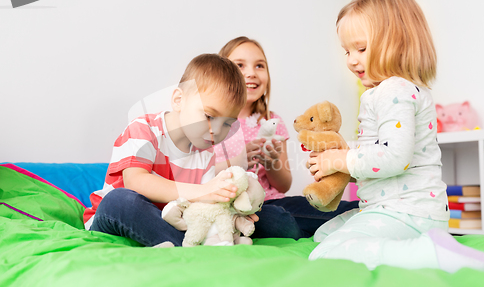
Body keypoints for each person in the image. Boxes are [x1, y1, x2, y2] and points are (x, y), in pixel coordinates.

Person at [307, 0, 484, 272]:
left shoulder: (391, 91)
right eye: (346, 51)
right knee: (323, 235)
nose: (351, 59)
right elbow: (381, 160)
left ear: (397, 43)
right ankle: (421, 245)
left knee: (324, 253)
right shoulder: (396, 90)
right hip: (403, 211)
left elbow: (395, 157)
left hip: (407, 213)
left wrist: (340, 159)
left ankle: (425, 253)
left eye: (360, 48)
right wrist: (347, 167)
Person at [83, 54, 248, 247]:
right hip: (114, 217)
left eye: (227, 124)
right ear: (178, 100)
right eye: (209, 116)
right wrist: (203, 191)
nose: (217, 132)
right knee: (120, 201)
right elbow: (136, 181)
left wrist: (230, 210)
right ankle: (185, 246)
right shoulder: (142, 129)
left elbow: (203, 204)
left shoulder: (205, 151)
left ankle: (183, 241)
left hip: (165, 221)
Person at [214, 36, 359, 239]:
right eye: (239, 65)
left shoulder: (272, 121)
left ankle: (369, 211)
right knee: (277, 221)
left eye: (259, 66)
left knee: (323, 209)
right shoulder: (211, 122)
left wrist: (272, 163)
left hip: (271, 202)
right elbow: (200, 173)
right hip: (233, 209)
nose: (251, 73)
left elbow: (283, 185)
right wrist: (241, 160)